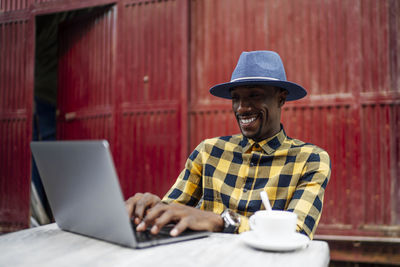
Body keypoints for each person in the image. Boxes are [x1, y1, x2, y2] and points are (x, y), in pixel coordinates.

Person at [125, 51, 331, 240]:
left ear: (281, 98)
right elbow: (173, 210)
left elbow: (297, 233)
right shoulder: (208, 151)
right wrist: (152, 209)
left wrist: (221, 221)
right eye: (236, 98)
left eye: (254, 95)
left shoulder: (310, 160)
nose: (242, 108)